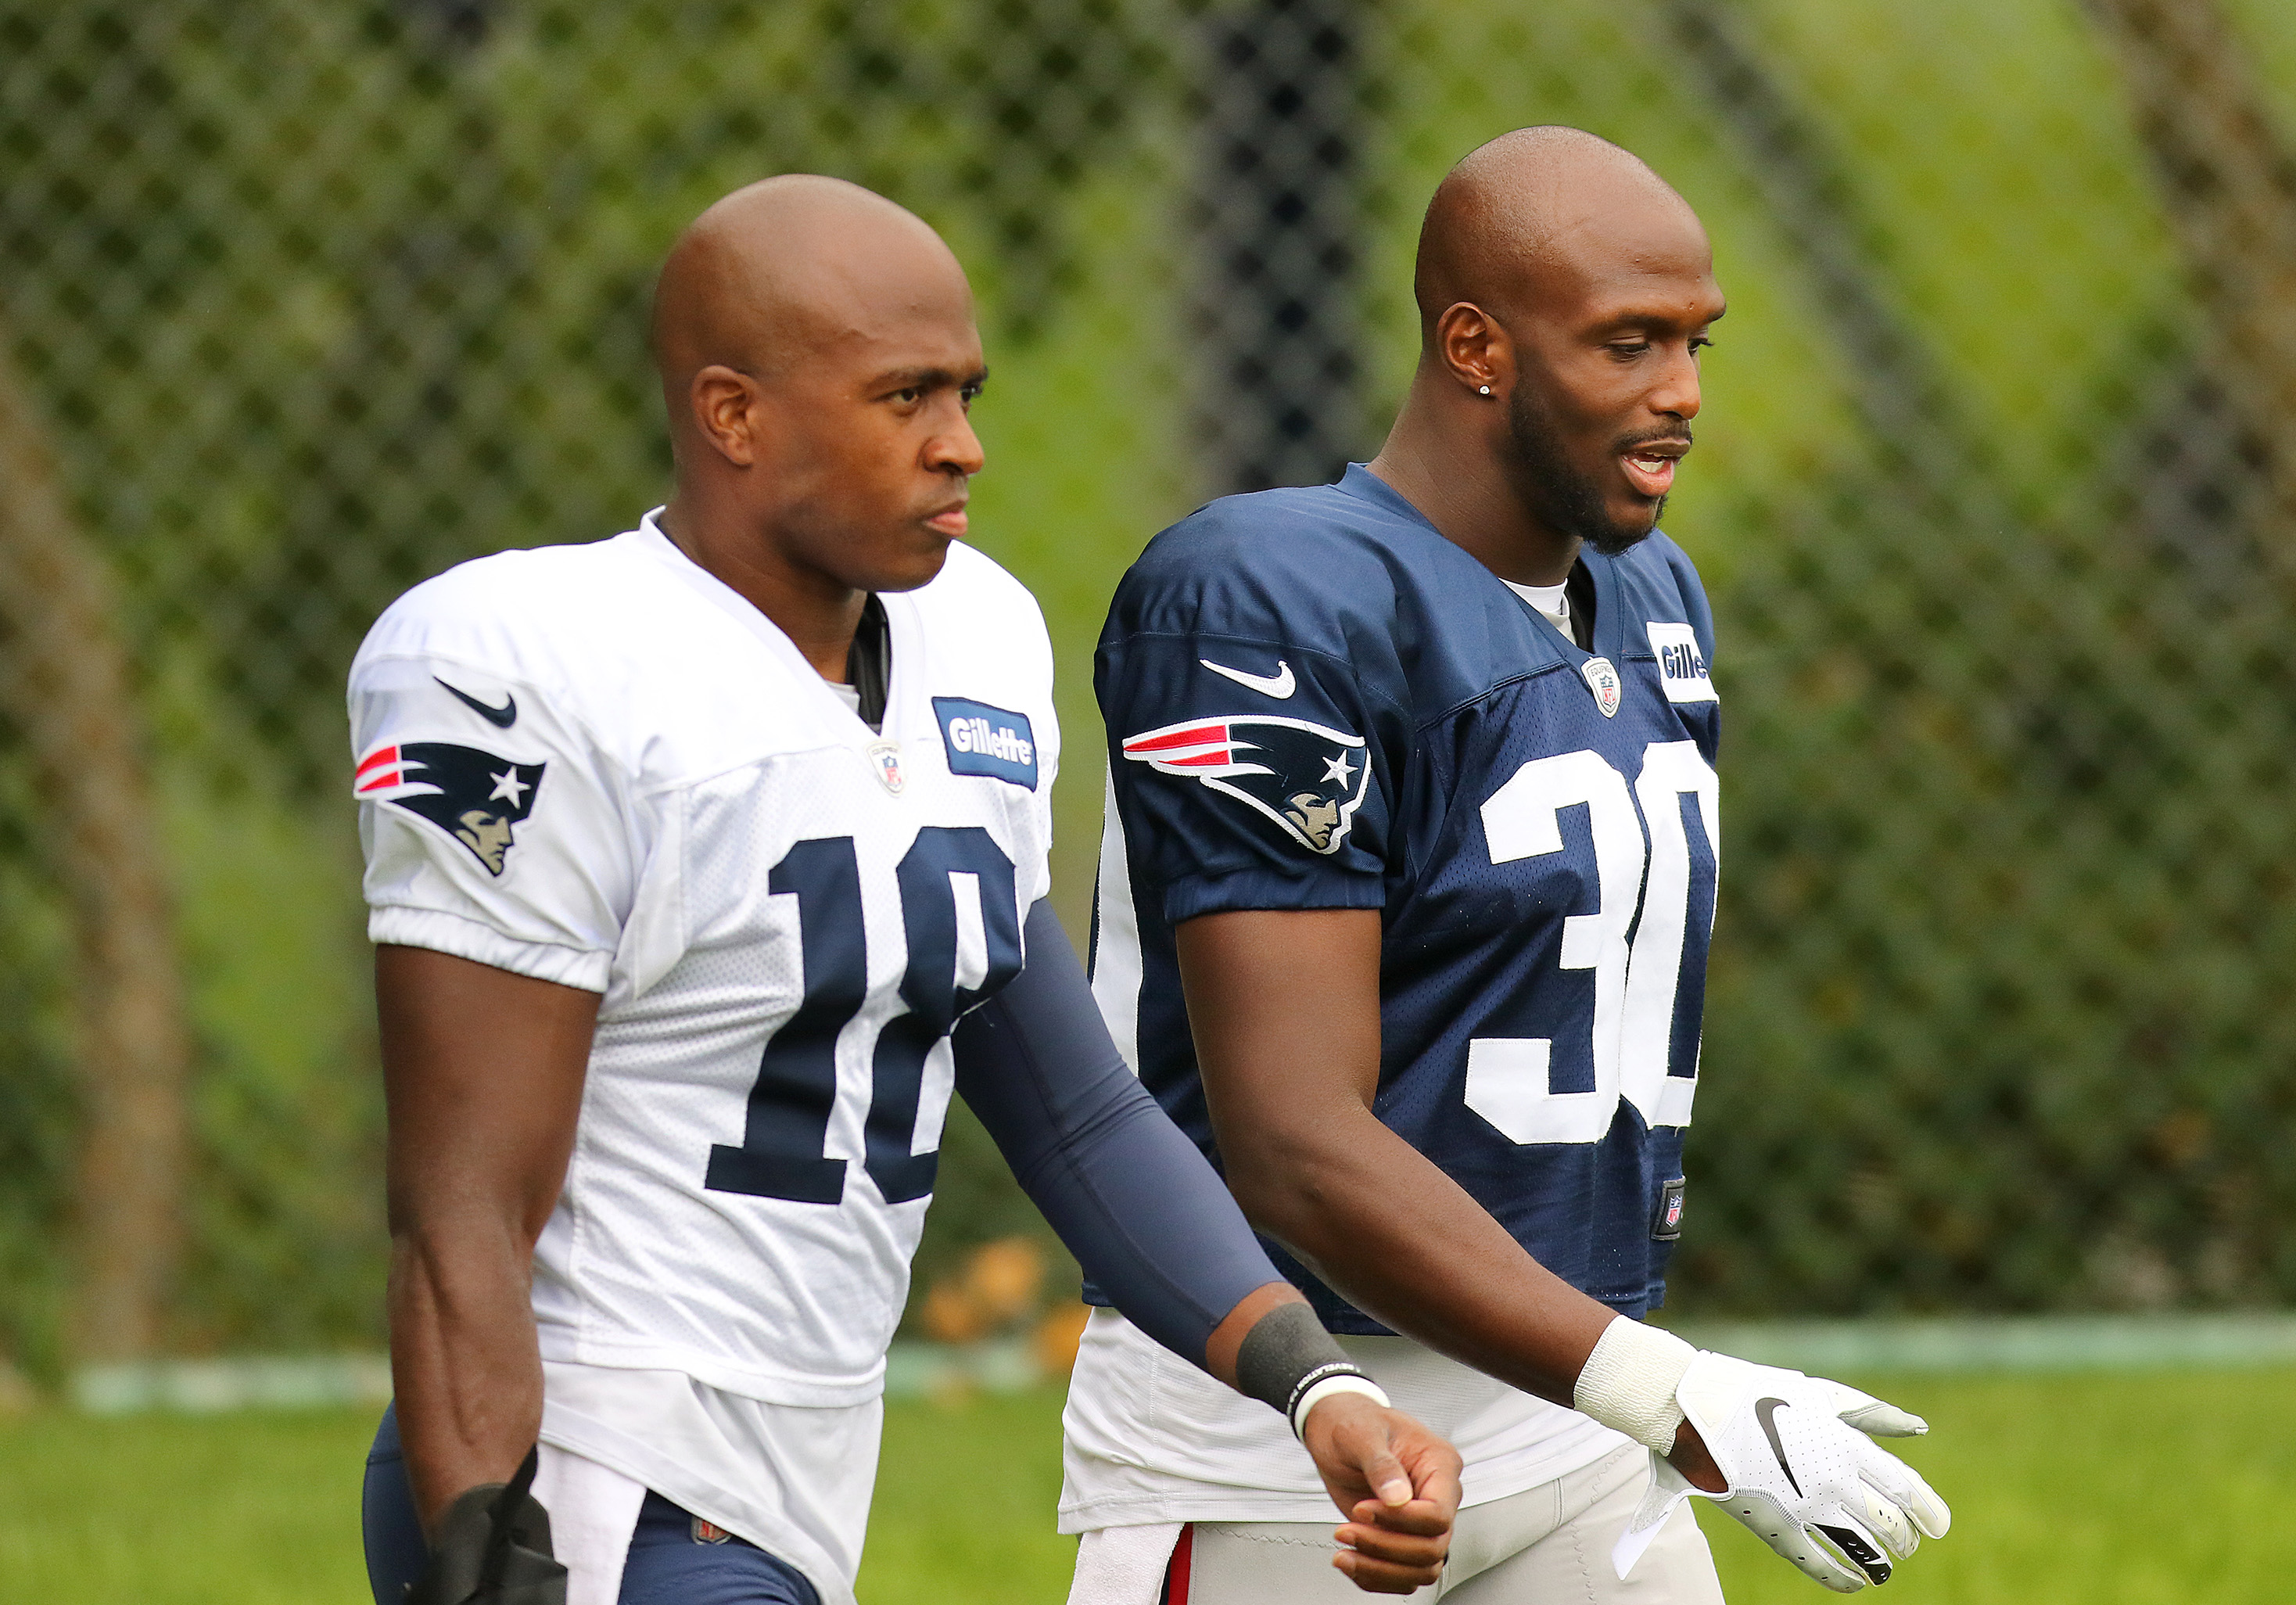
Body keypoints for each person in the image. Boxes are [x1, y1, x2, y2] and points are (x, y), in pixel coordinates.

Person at [350, 174, 1460, 1605]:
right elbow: (462, 1208)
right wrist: (487, 1542)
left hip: (804, 1459)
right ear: (732, 415)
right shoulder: (533, 666)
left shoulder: (976, 639)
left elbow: (1074, 1107)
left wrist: (1315, 1389)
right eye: (907, 398)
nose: (966, 447)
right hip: (590, 1468)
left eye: (969, 391)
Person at [1061, 127, 1953, 1603]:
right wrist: (1665, 1390)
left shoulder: (1651, 591)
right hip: (1287, 1437)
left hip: (1580, 1416)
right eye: (1628, 344)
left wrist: (1629, 1394)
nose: (1682, 393)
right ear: (1475, 344)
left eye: (1695, 342)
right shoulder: (1268, 596)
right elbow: (1287, 1136)